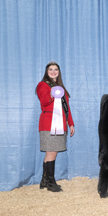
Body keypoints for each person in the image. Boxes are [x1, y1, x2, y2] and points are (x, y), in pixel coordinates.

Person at [36, 61, 75, 192]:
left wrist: (71, 123)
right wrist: (53, 94)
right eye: (51, 70)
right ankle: (51, 182)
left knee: (52, 152)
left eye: (56, 70)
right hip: (49, 124)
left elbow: (66, 108)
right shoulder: (42, 85)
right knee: (51, 153)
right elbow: (44, 101)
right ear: (46, 72)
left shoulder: (61, 88)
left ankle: (44, 180)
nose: (53, 72)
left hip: (60, 124)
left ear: (59, 72)